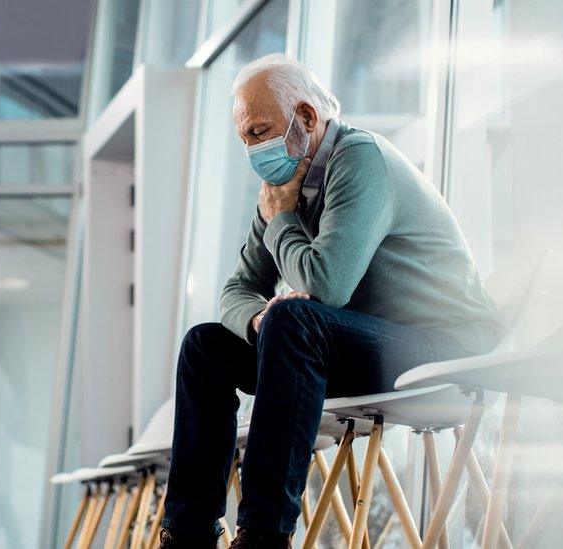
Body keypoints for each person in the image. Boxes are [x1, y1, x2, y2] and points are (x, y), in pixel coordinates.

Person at [158, 54, 501, 548]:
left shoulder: (360, 160)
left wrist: (280, 223)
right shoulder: (283, 188)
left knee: (297, 318)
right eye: (245, 139)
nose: (253, 150)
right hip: (370, 345)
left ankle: (262, 536)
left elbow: (328, 285)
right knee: (205, 346)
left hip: (445, 345)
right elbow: (234, 292)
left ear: (307, 117)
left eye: (259, 131)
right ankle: (187, 535)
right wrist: (258, 319)